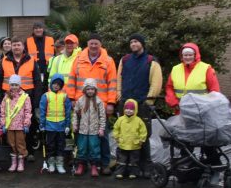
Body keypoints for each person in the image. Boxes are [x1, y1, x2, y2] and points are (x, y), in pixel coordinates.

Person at [164, 42, 222, 174]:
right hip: (182, 112)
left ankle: (215, 165)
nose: (187, 57)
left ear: (195, 55)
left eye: (190, 54)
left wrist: (210, 106)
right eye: (185, 55)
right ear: (181, 56)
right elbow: (169, 87)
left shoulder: (206, 69)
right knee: (185, 140)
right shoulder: (175, 69)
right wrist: (173, 102)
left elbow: (215, 91)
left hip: (202, 113)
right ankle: (188, 166)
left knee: (206, 140)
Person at [66, 33, 117, 173]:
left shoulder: (108, 61)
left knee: (102, 135)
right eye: (91, 43)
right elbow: (71, 80)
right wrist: (71, 99)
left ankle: (104, 164)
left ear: (100, 45)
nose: (93, 46)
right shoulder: (78, 60)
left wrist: (111, 102)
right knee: (81, 135)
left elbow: (112, 83)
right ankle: (83, 163)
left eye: (96, 43)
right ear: (87, 44)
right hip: (81, 104)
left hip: (101, 105)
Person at [116, 33, 162, 174]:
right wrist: (119, 96)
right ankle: (125, 165)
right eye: (131, 42)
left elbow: (156, 82)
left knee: (143, 135)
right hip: (126, 103)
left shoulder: (151, 61)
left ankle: (145, 165)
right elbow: (119, 79)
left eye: (136, 41)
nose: (133, 44)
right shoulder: (125, 60)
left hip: (142, 104)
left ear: (142, 44)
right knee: (125, 133)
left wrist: (149, 101)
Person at [72, 78, 107, 177]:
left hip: (94, 131)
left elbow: (102, 116)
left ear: (95, 90)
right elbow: (75, 114)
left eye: (92, 89)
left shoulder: (99, 101)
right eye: (88, 89)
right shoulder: (80, 100)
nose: (90, 91)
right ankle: (81, 165)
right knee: (82, 148)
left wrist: (101, 128)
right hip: (82, 130)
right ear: (84, 90)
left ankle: (94, 166)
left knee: (94, 148)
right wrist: (75, 125)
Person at [39, 74, 72, 174]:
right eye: (54, 83)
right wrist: (42, 124)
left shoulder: (64, 96)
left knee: (61, 145)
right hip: (50, 126)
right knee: (51, 145)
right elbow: (42, 111)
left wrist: (67, 125)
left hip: (61, 127)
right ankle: (51, 163)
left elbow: (68, 112)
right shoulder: (46, 96)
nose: (56, 86)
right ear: (51, 84)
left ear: (61, 86)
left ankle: (59, 164)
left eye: (58, 84)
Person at [2, 75, 32, 173]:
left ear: (19, 85)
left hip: (20, 126)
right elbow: (2, 111)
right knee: (12, 144)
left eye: (16, 85)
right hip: (9, 126)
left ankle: (21, 161)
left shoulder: (25, 97)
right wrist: (3, 124)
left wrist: (26, 124)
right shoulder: (6, 96)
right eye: (12, 85)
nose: (14, 87)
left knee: (20, 144)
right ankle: (14, 162)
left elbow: (28, 111)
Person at [111, 99, 148, 179]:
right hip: (122, 144)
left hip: (135, 145)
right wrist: (116, 137)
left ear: (135, 110)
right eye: (127, 109)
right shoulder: (120, 119)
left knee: (134, 161)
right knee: (121, 160)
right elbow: (116, 129)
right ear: (124, 109)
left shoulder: (138, 120)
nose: (129, 111)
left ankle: (133, 173)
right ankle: (120, 172)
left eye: (131, 109)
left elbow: (143, 131)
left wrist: (141, 140)